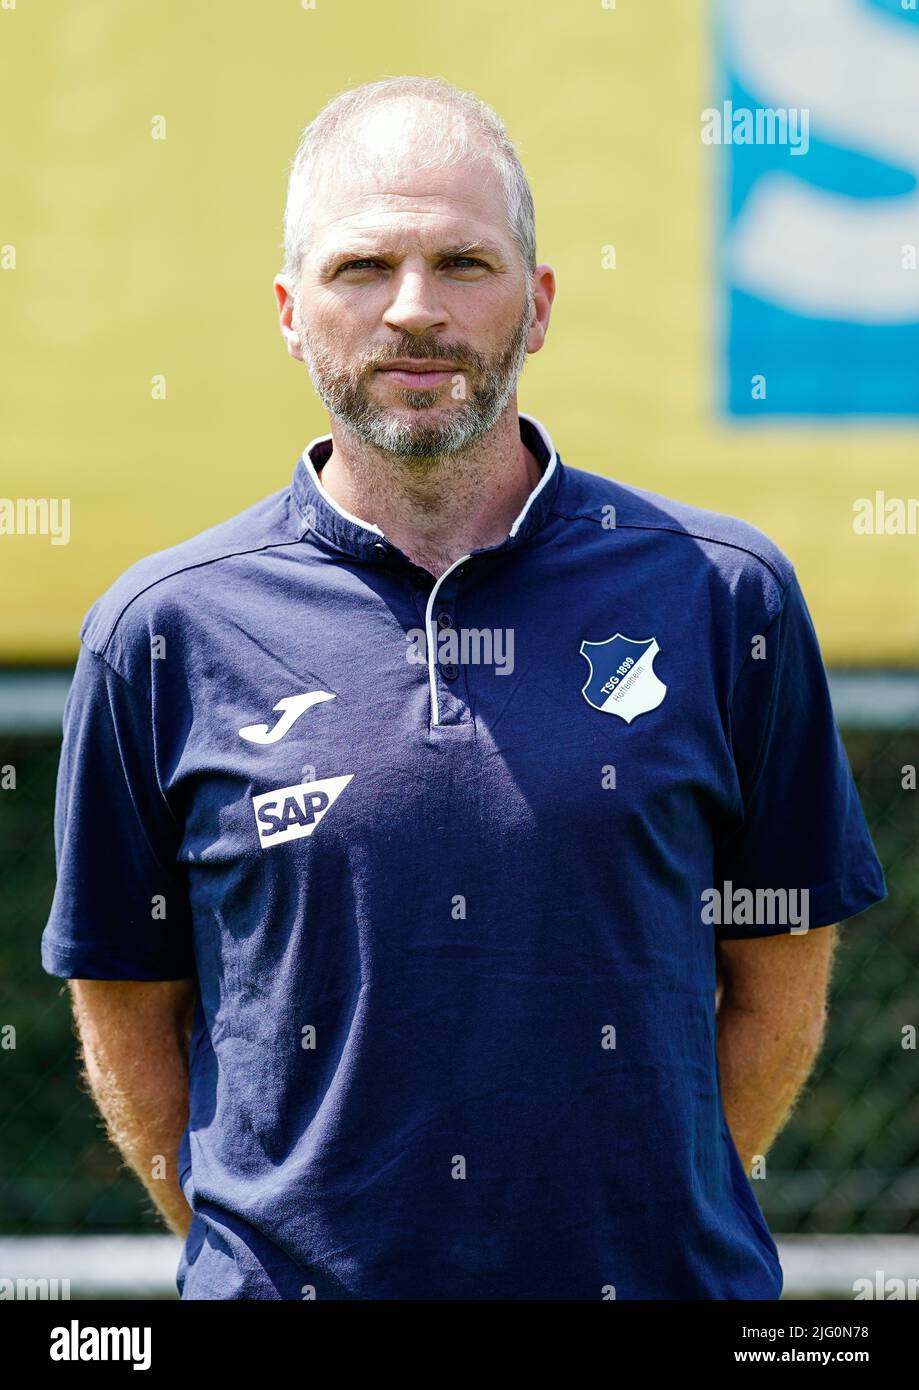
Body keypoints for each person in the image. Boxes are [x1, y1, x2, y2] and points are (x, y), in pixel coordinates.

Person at [42, 76, 886, 1300]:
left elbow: (779, 978)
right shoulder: (161, 631)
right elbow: (124, 1000)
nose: (414, 310)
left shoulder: (722, 596)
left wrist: (656, 1221)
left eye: (464, 264)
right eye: (360, 269)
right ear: (289, 311)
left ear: (538, 306)